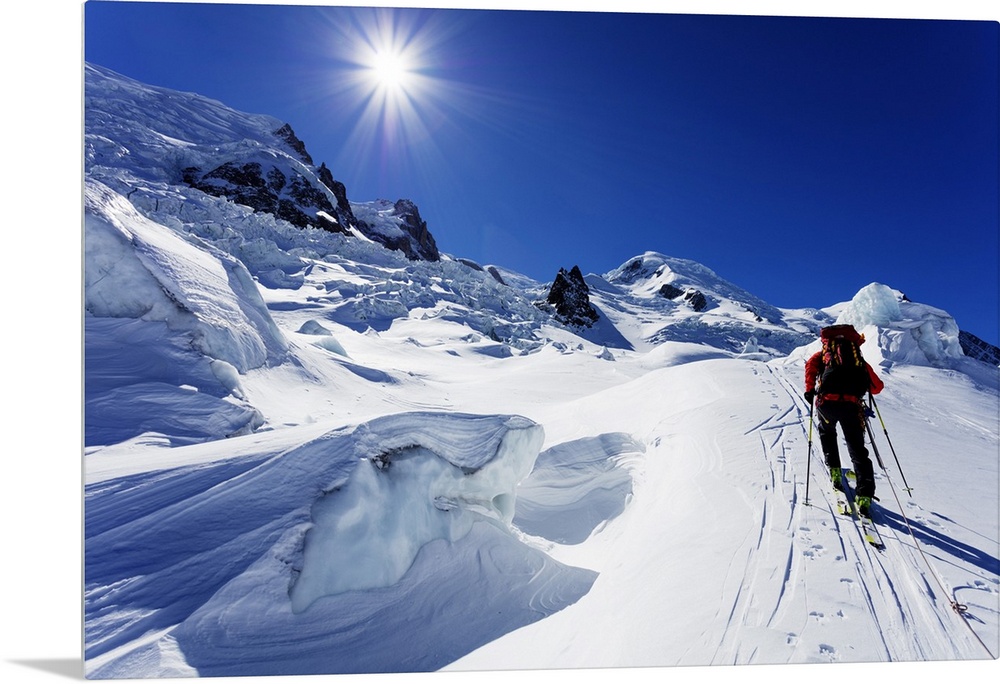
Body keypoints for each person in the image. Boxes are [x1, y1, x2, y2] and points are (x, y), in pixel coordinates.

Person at [804, 324, 884, 516]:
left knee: (827, 432)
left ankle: (835, 470)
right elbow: (877, 388)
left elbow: (810, 368)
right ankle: (864, 494)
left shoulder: (823, 356)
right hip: (851, 407)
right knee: (857, 449)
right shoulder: (857, 360)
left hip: (827, 405)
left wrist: (809, 390)